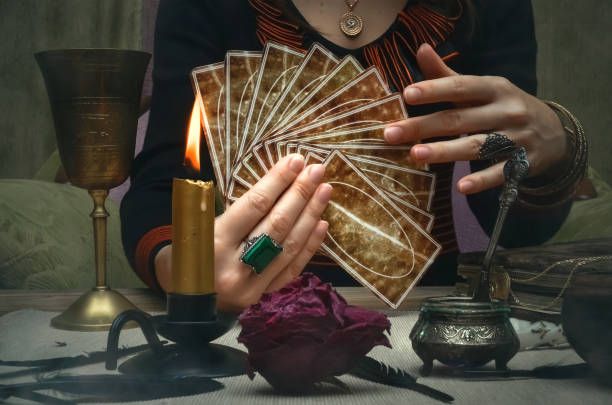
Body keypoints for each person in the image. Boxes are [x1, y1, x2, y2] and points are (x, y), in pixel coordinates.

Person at [121, 0, 586, 312]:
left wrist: (558, 149)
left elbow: (508, 220)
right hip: (245, 320)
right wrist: (183, 269)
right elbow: (164, 186)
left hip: (423, 318)